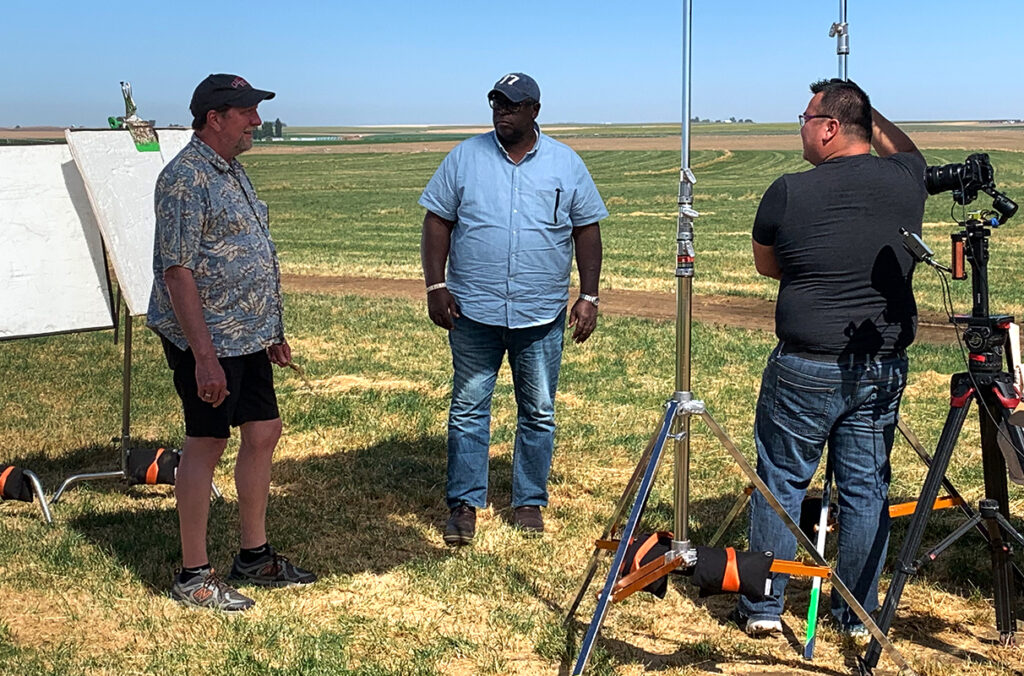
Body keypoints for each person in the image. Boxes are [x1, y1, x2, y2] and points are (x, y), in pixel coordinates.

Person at [733, 79, 927, 636]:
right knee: (866, 490)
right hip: (880, 367)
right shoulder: (907, 179)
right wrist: (867, 108)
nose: (800, 127)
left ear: (830, 128)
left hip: (805, 365)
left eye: (806, 118)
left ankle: (763, 606)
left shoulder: (788, 191)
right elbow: (908, 151)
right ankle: (856, 613)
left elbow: (769, 266)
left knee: (781, 482)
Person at [147, 73, 316, 611]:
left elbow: (251, 254)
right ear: (214, 118)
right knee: (207, 443)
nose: (257, 122)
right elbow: (178, 273)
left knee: (264, 430)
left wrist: (272, 333)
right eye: (246, 112)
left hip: (246, 337)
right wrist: (204, 359)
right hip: (208, 342)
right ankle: (194, 575)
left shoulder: (232, 171)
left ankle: (254, 556)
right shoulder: (185, 178)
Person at [419, 72, 608, 545]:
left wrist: (589, 295)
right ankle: (464, 504)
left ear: (534, 111)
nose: (501, 111)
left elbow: (586, 229)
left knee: (538, 410)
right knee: (468, 408)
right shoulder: (464, 158)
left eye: (512, 104)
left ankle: (528, 502)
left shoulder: (566, 163)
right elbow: (437, 220)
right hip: (473, 311)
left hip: (540, 314)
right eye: (496, 103)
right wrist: (436, 285)